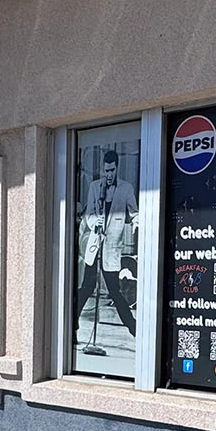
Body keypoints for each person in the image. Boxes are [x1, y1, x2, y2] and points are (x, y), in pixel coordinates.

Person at [73, 148, 137, 346]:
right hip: (95, 247)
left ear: (116, 169)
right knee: (86, 287)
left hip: (111, 250)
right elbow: (88, 215)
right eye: (106, 170)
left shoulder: (126, 189)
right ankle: (72, 328)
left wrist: (137, 226)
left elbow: (134, 213)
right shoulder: (94, 187)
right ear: (102, 169)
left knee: (115, 292)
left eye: (112, 170)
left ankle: (135, 330)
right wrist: (95, 223)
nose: (108, 174)